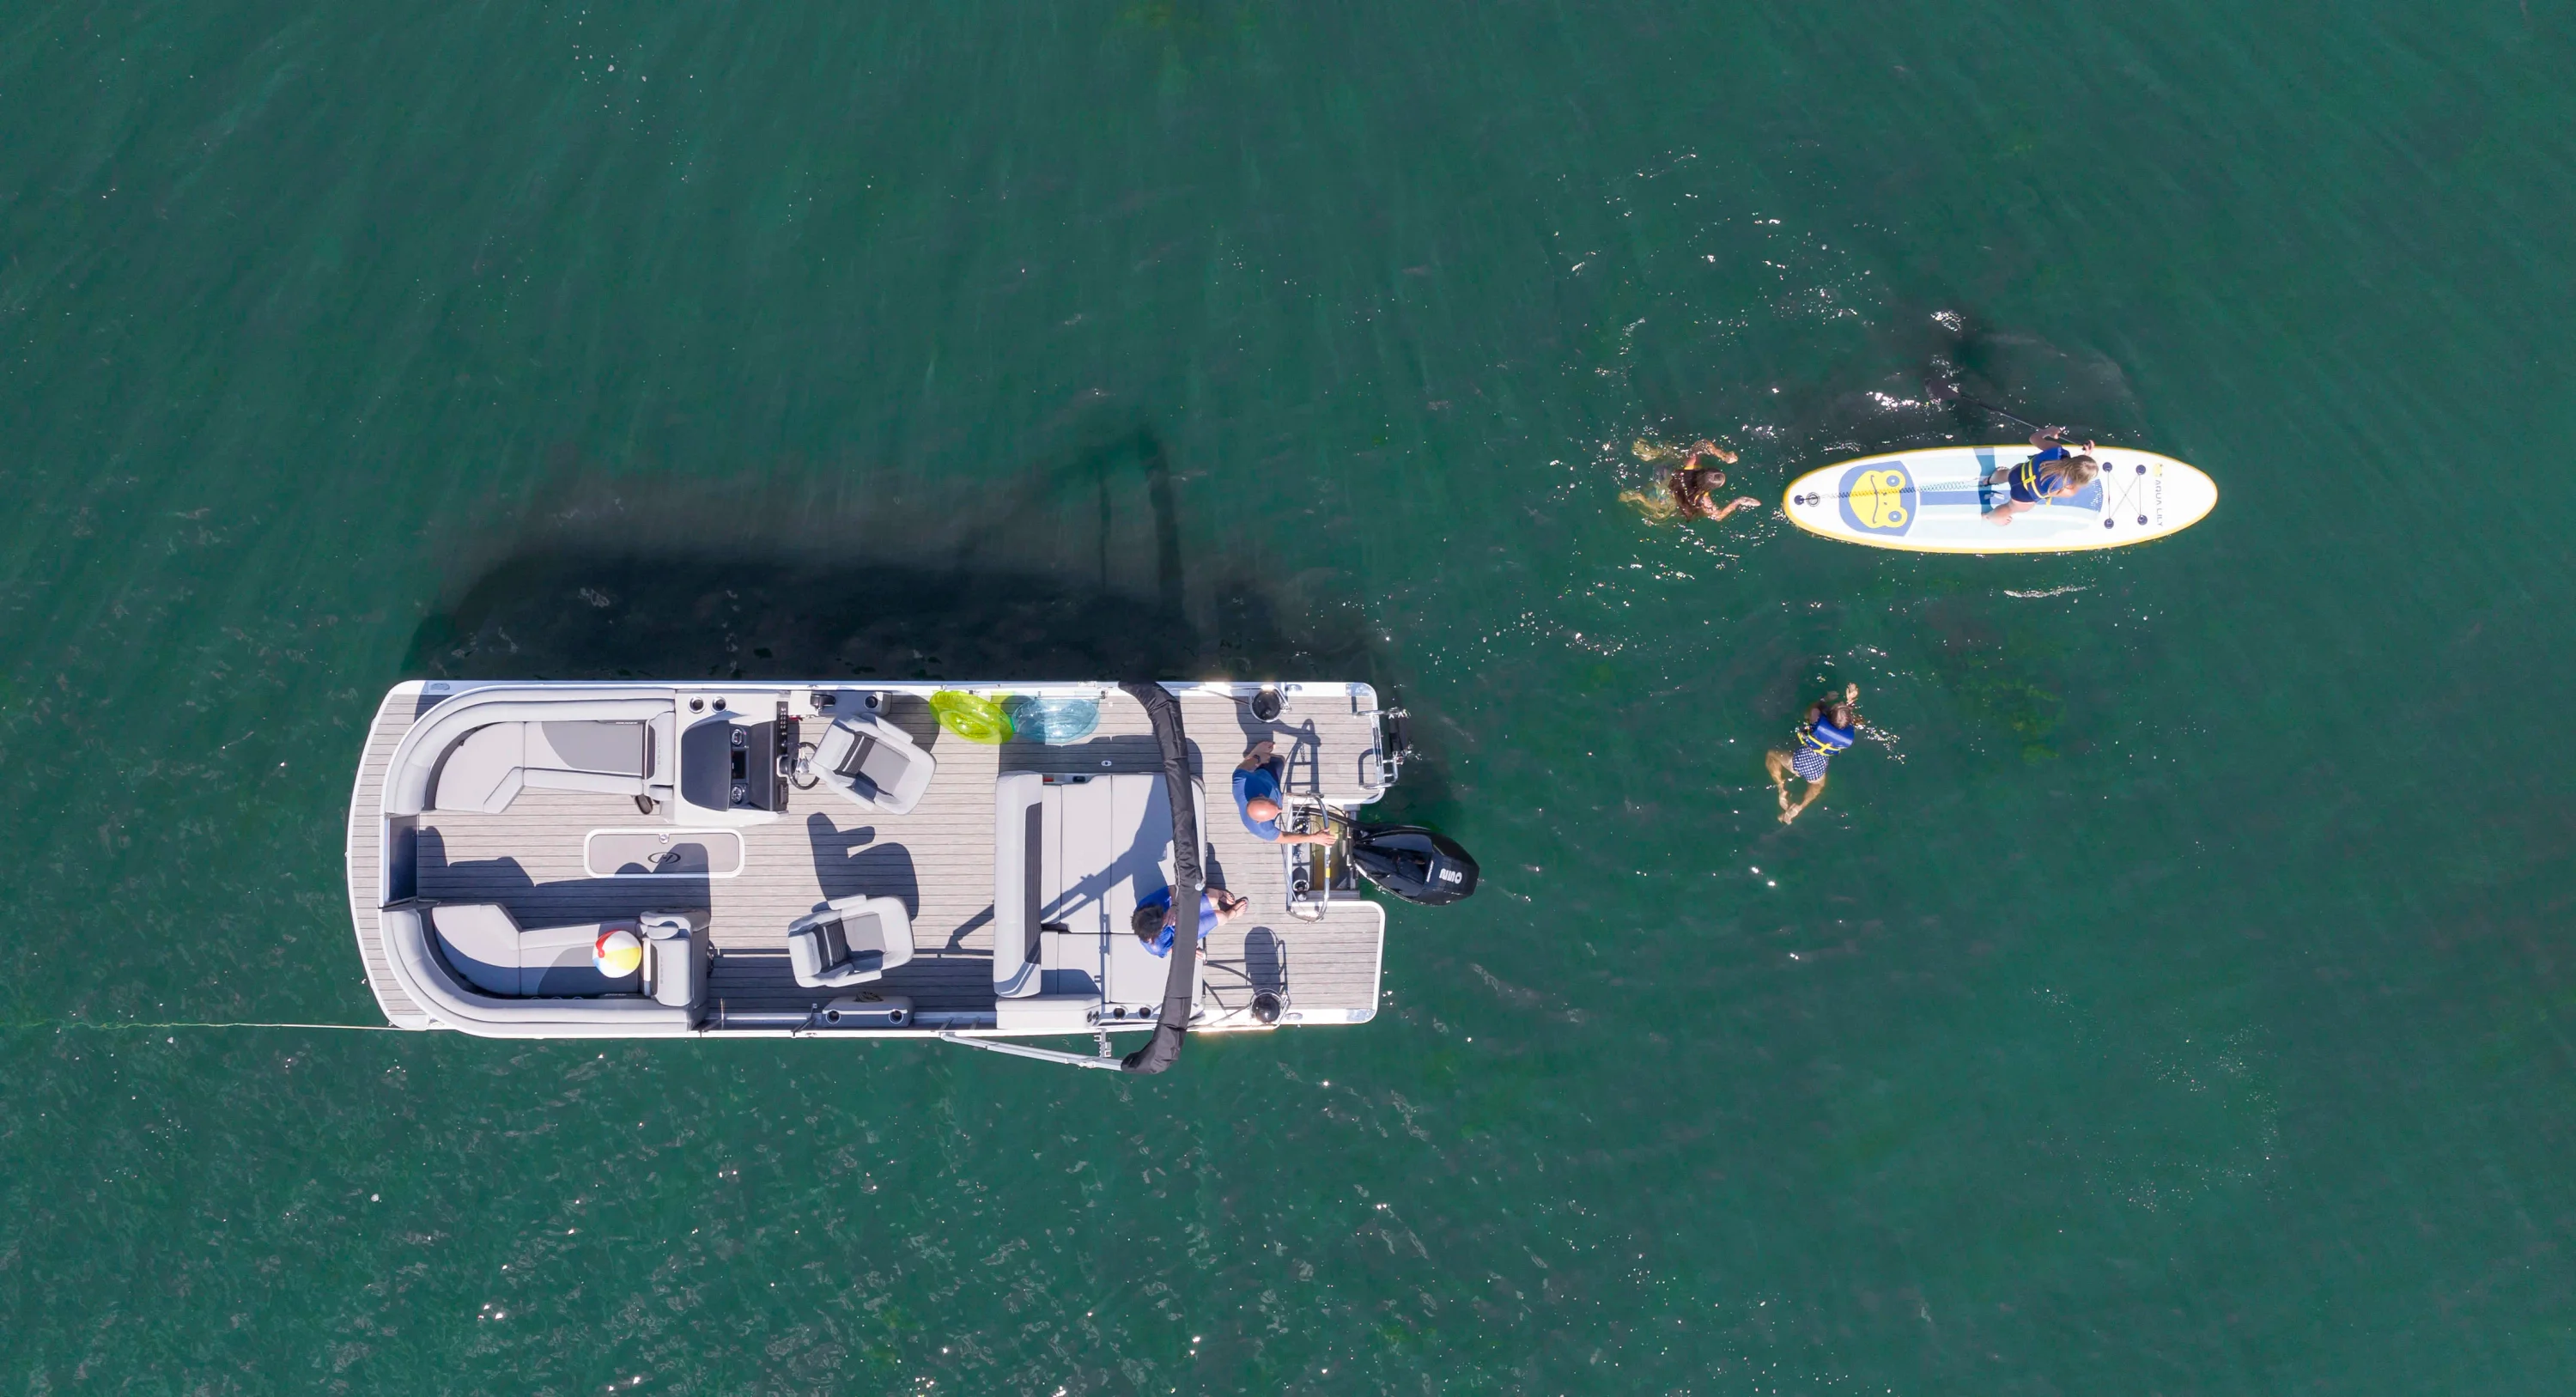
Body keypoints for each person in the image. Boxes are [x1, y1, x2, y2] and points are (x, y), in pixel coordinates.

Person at [1764, 683, 1862, 825]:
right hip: (1816, 769)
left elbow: (1811, 710)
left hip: (1800, 761)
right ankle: (1799, 807)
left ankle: (1781, 787)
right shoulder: (1846, 736)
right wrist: (1851, 701)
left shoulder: (1817, 719)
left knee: (1772, 754)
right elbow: (1848, 721)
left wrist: (1824, 699)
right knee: (1818, 785)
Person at [1622, 439, 1762, 524]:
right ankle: (1639, 498)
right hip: (1670, 499)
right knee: (1662, 513)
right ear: (1709, 488)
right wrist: (1738, 501)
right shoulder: (1703, 499)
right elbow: (1718, 516)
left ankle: (1651, 454)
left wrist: (1723, 455)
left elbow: (1701, 444)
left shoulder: (1691, 466)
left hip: (1666, 477)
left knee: (1671, 454)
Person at [1983, 428, 2101, 525]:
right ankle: (1989, 516)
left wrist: (2049, 431)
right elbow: (2056, 488)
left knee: (2006, 474)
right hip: (2024, 496)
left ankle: (1988, 480)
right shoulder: (2069, 490)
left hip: (2017, 473)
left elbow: (2033, 438)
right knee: (2010, 507)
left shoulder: (2056, 450)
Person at [1236, 740, 1335, 845]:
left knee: (1279, 760)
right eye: (1275, 814)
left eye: (1276, 806)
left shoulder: (1241, 782)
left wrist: (1257, 757)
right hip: (1271, 783)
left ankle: (1254, 756)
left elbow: (1242, 768)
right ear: (1259, 821)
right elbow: (1283, 837)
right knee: (1280, 761)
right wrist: (1313, 838)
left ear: (1262, 796)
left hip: (1263, 774)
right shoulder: (1262, 829)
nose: (1281, 810)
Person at [1130, 883, 1250, 957]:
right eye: (1164, 921)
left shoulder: (1147, 905)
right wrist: (1188, 948)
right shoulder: (1156, 947)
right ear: (1154, 935)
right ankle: (1232, 914)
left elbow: (1172, 888)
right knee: (1222, 917)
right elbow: (1170, 949)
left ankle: (1217, 893)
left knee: (1213, 899)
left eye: (1163, 914)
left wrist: (1173, 907)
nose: (1166, 916)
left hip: (1178, 907)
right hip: (1182, 931)